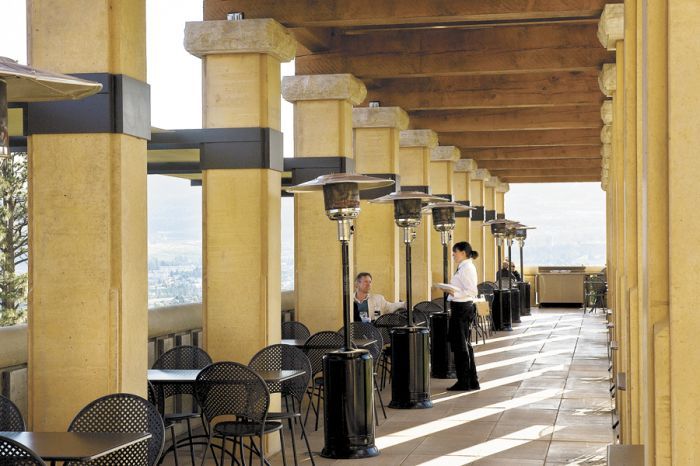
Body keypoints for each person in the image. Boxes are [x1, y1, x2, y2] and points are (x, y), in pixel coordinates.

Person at [445, 241, 480, 391]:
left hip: (462, 309)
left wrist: (454, 293)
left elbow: (472, 291)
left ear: (464, 253)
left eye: (455, 251)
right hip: (460, 308)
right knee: (464, 345)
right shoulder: (464, 267)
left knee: (461, 347)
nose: (453, 254)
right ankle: (471, 380)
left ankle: (464, 381)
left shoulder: (467, 268)